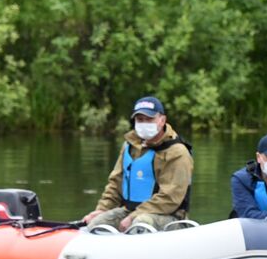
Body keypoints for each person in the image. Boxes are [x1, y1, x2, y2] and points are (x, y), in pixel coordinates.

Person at [83, 96, 193, 232]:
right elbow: (115, 184)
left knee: (140, 223)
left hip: (169, 217)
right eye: (140, 119)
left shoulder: (177, 152)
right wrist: (101, 209)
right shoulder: (129, 146)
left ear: (162, 120)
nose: (144, 123)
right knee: (98, 223)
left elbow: (170, 197)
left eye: (149, 119)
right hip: (130, 211)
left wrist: (134, 216)